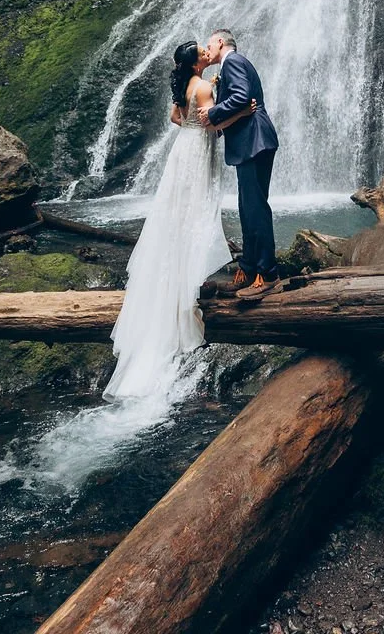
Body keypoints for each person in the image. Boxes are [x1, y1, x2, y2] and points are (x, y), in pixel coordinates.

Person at [103, 39, 256, 400]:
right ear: (194, 64)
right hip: (198, 154)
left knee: (177, 217)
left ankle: (177, 283)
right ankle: (185, 294)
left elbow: (178, 118)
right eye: (202, 53)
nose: (207, 53)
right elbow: (212, 125)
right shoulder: (203, 86)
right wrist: (243, 113)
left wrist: (196, 119)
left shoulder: (187, 86)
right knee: (195, 216)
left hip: (181, 153)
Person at [199, 28, 282, 301]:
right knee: (248, 208)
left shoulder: (233, 61)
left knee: (255, 207)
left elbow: (242, 97)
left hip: (253, 141)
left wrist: (212, 111)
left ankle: (268, 274)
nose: (206, 49)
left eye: (209, 44)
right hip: (251, 142)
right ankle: (248, 268)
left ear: (220, 42)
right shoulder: (235, 63)